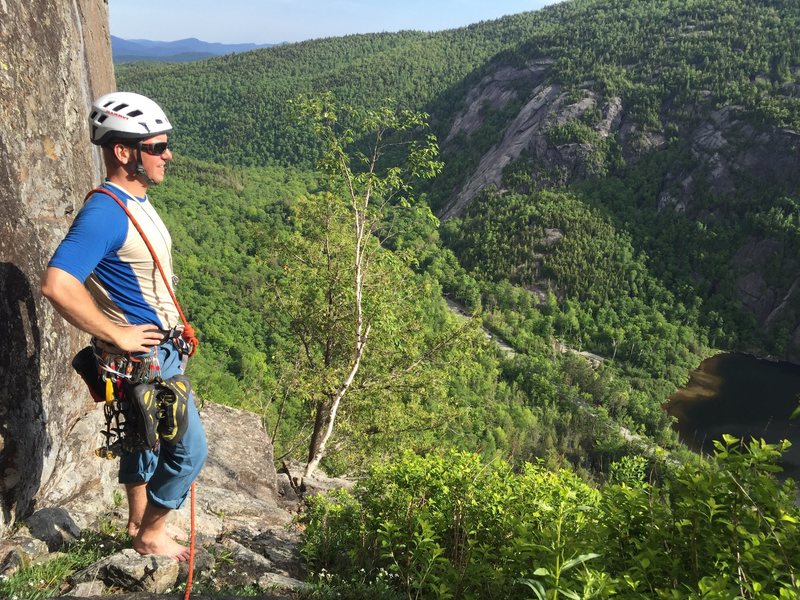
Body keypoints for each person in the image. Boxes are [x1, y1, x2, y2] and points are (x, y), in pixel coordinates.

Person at [41, 92, 207, 561]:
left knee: (144, 437)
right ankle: (152, 532)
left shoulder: (132, 199)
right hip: (144, 354)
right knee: (191, 452)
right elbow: (57, 284)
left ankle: (137, 520)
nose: (167, 155)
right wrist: (117, 333)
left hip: (150, 352)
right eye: (156, 147)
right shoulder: (106, 211)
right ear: (123, 152)